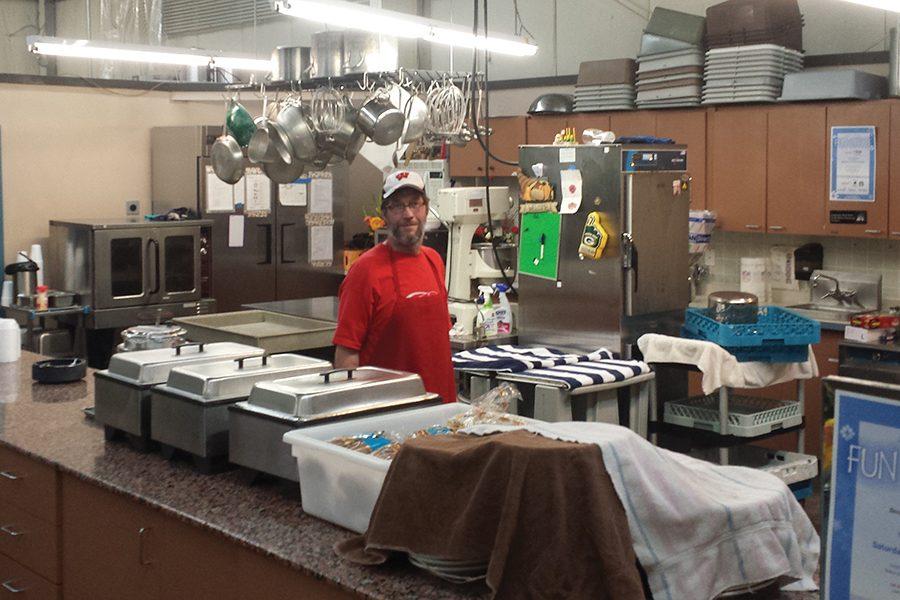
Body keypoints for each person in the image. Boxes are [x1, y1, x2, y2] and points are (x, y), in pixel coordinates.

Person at [332, 170, 456, 403]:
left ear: (426, 208)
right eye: (397, 206)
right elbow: (347, 354)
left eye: (414, 204)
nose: (408, 214)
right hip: (388, 409)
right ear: (384, 215)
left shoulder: (434, 261)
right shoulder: (365, 270)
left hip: (440, 405)